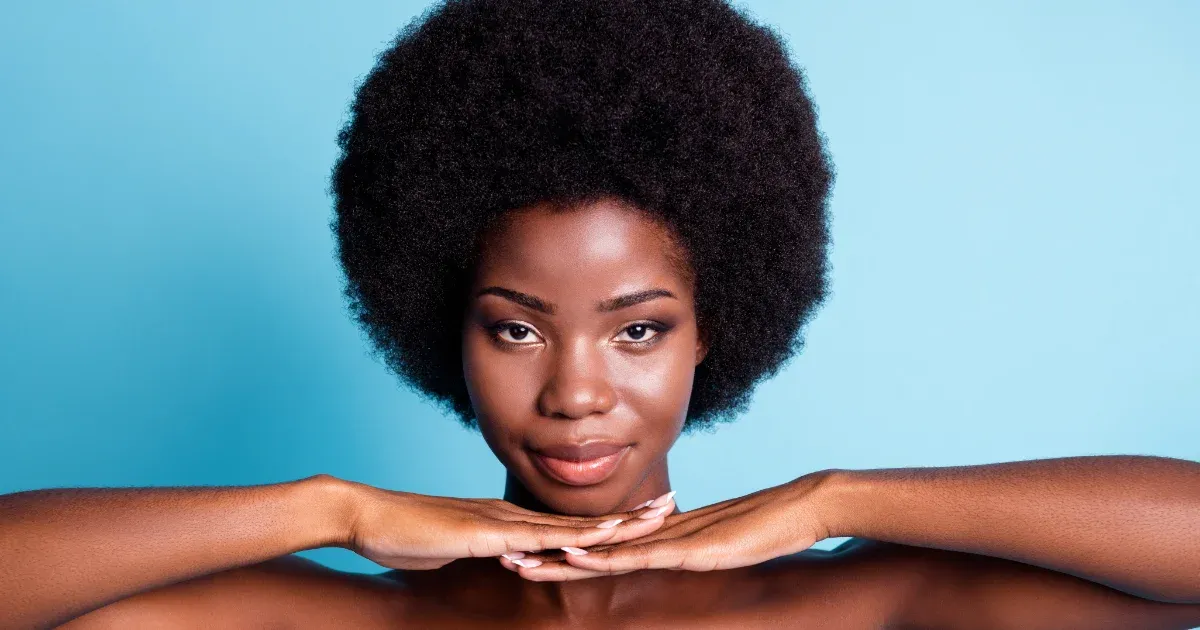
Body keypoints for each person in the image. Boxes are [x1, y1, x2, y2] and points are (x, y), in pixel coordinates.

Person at [2, 0, 1198, 627]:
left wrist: (842, 500)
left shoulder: (848, 601)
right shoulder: (347, 616)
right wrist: (338, 509)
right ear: (442, 324)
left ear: (717, 323)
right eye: (516, 327)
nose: (575, 392)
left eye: (637, 329)